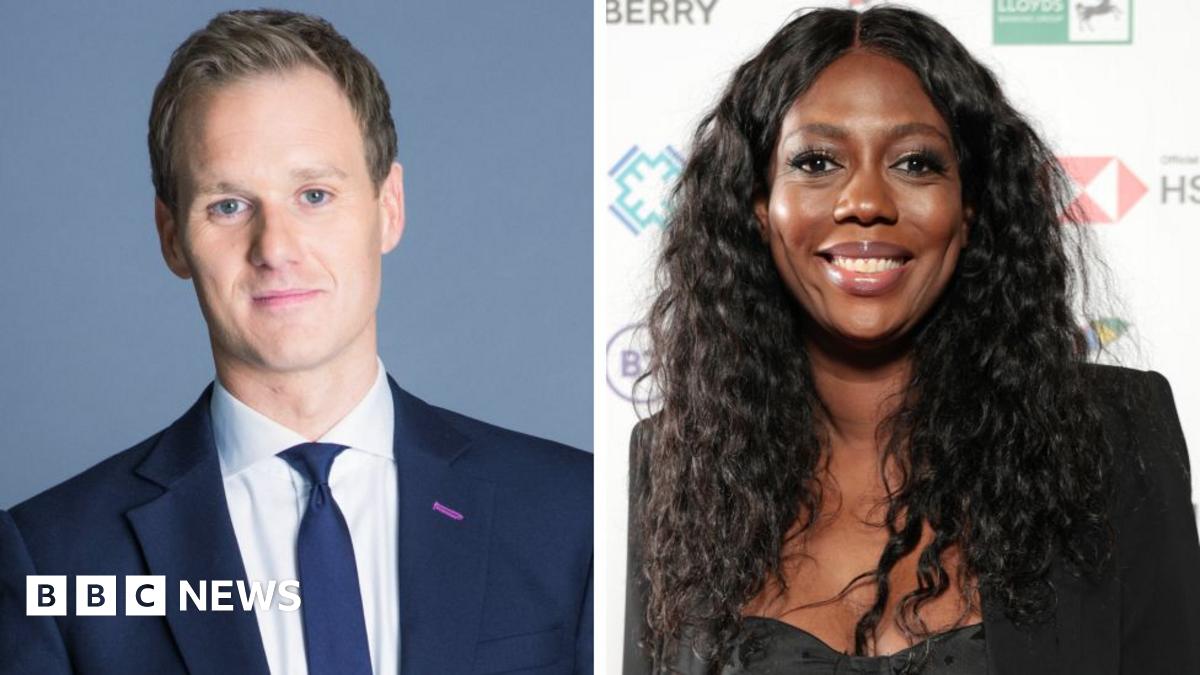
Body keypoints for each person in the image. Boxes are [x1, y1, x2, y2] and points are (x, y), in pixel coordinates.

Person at [0, 10, 592, 675]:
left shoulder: (573, 513)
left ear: (388, 206)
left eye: (314, 194)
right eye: (228, 204)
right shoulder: (52, 561)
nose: (275, 247)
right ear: (172, 237)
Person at [623, 6, 1199, 674]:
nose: (866, 199)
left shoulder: (1116, 435)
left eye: (916, 163)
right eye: (816, 160)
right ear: (759, 204)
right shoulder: (677, 460)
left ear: (970, 206)